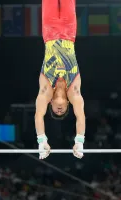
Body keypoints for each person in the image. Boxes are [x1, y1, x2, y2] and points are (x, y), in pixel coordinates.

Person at [35, 0, 86, 159]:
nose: (59, 111)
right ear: (67, 105)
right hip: (69, 31)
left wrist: (41, 140)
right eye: (62, 111)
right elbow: (80, 116)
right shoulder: (74, 91)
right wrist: (79, 141)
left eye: (56, 112)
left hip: (49, 32)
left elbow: (38, 115)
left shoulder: (46, 90)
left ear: (50, 103)